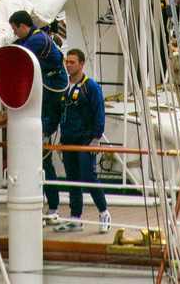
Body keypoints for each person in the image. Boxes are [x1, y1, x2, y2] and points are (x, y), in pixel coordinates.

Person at [9, 10, 67, 224]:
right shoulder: (35, 36)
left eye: (14, 28)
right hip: (45, 96)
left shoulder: (36, 40)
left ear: (22, 26)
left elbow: (17, 58)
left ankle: (52, 207)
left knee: (44, 160)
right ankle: (46, 206)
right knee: (42, 162)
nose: (13, 32)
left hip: (52, 95)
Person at [54, 49, 111, 234]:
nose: (68, 66)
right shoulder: (64, 87)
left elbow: (99, 113)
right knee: (72, 179)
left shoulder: (91, 87)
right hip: (68, 139)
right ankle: (75, 217)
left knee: (89, 177)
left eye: (72, 62)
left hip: (86, 140)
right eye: (67, 62)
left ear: (81, 64)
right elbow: (58, 113)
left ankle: (104, 213)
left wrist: (96, 139)